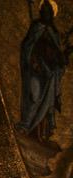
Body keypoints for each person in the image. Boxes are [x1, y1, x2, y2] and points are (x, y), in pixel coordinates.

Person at [18, 0, 71, 143]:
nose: (46, 13)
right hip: (36, 70)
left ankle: (40, 134)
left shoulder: (54, 32)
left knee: (47, 103)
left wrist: (62, 57)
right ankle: (25, 126)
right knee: (34, 97)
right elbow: (27, 46)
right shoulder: (36, 27)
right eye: (44, 10)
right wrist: (32, 61)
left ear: (52, 14)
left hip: (49, 73)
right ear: (41, 11)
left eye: (49, 11)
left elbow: (57, 54)